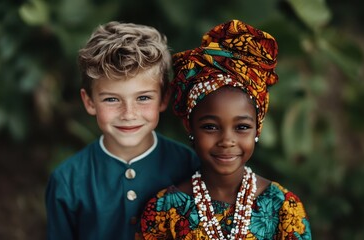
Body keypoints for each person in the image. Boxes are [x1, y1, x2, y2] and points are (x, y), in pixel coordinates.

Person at [139, 19, 312, 239]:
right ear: (189, 126)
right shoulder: (164, 212)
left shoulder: (283, 208)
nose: (227, 140)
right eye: (210, 127)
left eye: (241, 127)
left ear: (257, 128)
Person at [45, 21, 200, 240]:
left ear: (164, 98)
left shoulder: (188, 166)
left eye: (143, 98)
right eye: (111, 99)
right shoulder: (67, 180)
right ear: (89, 102)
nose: (128, 113)